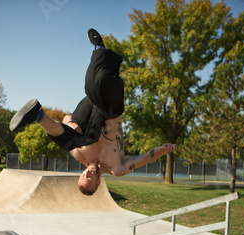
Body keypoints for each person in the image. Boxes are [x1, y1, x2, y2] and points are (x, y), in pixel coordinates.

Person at [10, 29, 176, 195]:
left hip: (88, 112)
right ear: (98, 182)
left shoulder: (80, 155)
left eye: (83, 175)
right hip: (111, 111)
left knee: (72, 141)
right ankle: (100, 50)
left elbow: (65, 118)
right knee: (98, 81)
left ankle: (37, 115)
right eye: (89, 178)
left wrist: (71, 123)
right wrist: (163, 149)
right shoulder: (118, 168)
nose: (87, 173)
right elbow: (145, 158)